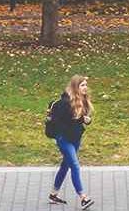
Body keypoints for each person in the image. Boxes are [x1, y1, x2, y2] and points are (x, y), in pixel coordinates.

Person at [44, 74, 94, 207]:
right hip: (64, 138)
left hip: (75, 137)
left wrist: (87, 120)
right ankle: (83, 197)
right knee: (75, 166)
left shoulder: (83, 100)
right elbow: (64, 122)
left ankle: (53, 195)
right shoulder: (64, 103)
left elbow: (83, 118)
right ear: (75, 87)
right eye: (82, 85)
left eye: (85, 85)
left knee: (65, 165)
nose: (85, 88)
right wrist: (80, 119)